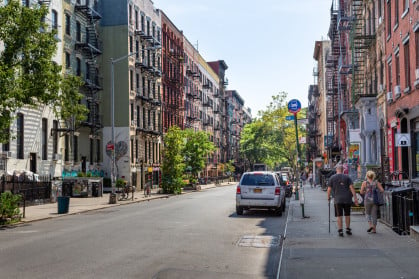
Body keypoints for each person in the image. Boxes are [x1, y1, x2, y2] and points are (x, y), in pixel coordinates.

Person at [327, 164, 359, 237]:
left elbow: (329, 190)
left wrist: (328, 198)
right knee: (347, 214)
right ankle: (347, 229)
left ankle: (340, 230)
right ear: (343, 170)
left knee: (339, 215)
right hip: (347, 199)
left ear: (336, 170)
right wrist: (355, 198)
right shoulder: (347, 177)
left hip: (337, 199)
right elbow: (352, 188)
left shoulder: (332, 178)